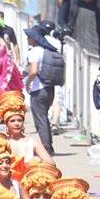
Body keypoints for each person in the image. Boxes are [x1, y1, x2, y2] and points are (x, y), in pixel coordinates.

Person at [24, 24, 58, 156]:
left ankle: (46, 148)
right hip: (49, 88)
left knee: (41, 119)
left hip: (39, 89)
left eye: (29, 37)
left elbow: (33, 71)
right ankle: (48, 146)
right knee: (44, 117)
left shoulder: (35, 52)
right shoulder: (46, 50)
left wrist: (27, 84)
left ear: (35, 39)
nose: (27, 39)